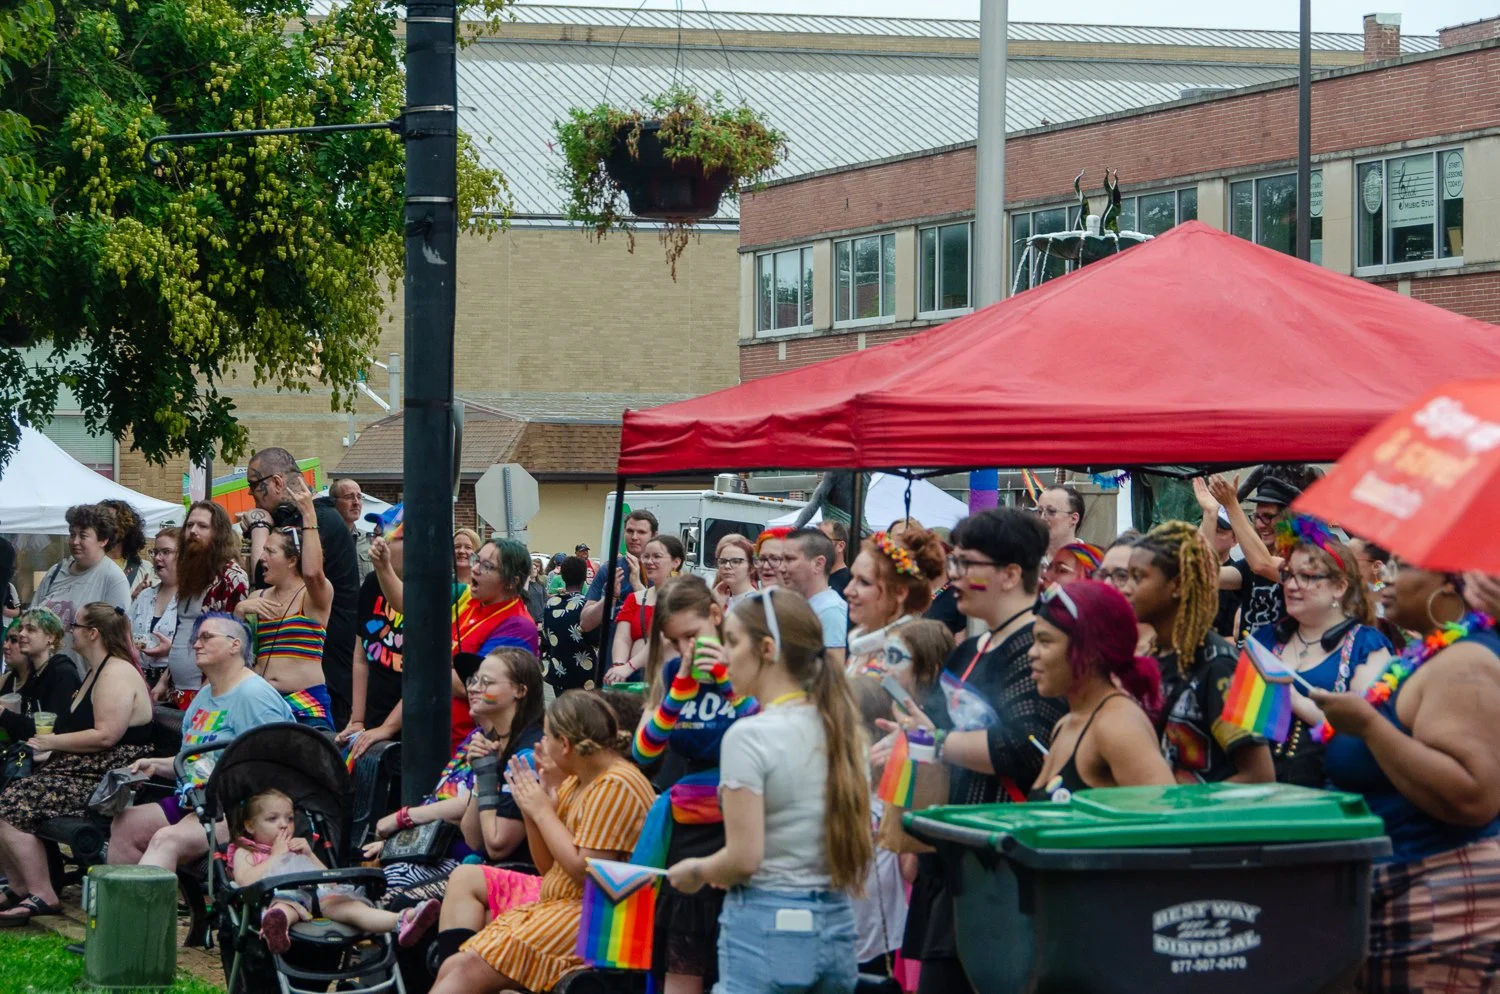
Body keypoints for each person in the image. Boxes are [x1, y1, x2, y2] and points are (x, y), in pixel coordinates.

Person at [666, 589, 872, 994]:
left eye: (732, 641)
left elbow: (744, 858)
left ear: (767, 648)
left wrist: (696, 871)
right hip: (836, 923)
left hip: (767, 923)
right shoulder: (843, 728)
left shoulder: (750, 735)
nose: (723, 656)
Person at [894, 508, 1064, 994]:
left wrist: (938, 742)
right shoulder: (969, 651)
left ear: (1012, 574)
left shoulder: (1040, 643)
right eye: (956, 563)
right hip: (957, 860)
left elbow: (1028, 747)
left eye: (968, 565)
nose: (956, 577)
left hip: (1008, 869)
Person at [1317, 566, 1500, 992]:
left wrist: (1368, 725)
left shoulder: (1466, 660)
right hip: (1397, 894)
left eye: (1402, 567)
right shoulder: (1432, 653)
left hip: (1437, 904)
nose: (1386, 579)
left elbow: (1471, 798)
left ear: (1451, 585)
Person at [431, 691, 656, 994]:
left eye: (547, 736)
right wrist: (531, 815)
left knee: (465, 971)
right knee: (454, 967)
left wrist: (542, 812)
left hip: (596, 918)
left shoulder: (615, 784)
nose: (542, 744)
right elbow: (548, 867)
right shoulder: (580, 780)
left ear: (565, 745)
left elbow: (585, 873)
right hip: (559, 905)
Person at [634, 575, 756, 994]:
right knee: (681, 968)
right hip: (689, 829)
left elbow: (772, 735)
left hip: (747, 824)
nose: (686, 648)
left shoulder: (750, 662)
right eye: (675, 640)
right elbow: (644, 753)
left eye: (692, 634)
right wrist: (675, 696)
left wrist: (728, 683)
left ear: (717, 616)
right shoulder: (673, 671)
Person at [0, 603, 156, 922]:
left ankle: (43, 893)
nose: (72, 632)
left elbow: (105, 737)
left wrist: (50, 742)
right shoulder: (96, 670)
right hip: (86, 768)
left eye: (77, 627)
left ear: (93, 634)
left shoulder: (116, 672)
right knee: (8, 788)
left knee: (11, 803)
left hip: (109, 776)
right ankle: (18, 886)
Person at [107, 613, 293, 870]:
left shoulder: (254, 696)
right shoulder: (204, 695)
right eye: (196, 638)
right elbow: (194, 761)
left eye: (206, 637)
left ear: (234, 645)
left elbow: (274, 770)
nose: (196, 644)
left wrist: (219, 807)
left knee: (166, 840)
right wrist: (154, 765)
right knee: (125, 824)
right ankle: (127, 907)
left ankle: (146, 908)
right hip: (196, 801)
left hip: (238, 810)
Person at [367, 649, 545, 906]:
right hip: (483, 868)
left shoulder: (527, 753)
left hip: (519, 878)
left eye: (487, 682)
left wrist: (484, 773)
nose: (474, 687)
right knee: (378, 891)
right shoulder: (490, 743)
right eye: (474, 680)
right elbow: (474, 837)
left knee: (397, 901)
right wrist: (481, 773)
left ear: (520, 690)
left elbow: (496, 845)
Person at [1125, 522, 1274, 785]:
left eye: (1138, 577)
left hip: (1200, 822)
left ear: (1178, 585)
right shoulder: (1152, 657)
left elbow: (1260, 776)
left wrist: (1185, 807)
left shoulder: (1222, 665)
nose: (1127, 588)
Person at [1251, 524, 1392, 787]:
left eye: (1306, 576)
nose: (1291, 586)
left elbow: (1372, 736)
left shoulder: (1367, 646)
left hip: (1333, 801)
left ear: (1339, 586)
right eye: (1288, 574)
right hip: (1259, 797)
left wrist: (1295, 701)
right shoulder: (1265, 640)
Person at [230, 788, 440, 954]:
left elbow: (330, 881)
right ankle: (275, 929)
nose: (284, 825)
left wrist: (309, 855)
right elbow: (245, 882)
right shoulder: (246, 851)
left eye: (290, 818)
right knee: (285, 906)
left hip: (319, 896)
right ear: (250, 826)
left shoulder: (298, 847)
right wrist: (275, 856)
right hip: (280, 898)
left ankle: (402, 920)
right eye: (272, 819)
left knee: (347, 904)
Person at [241, 448, 360, 729]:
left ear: (278, 483)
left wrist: (259, 527)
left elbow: (263, 574)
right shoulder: (297, 522)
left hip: (326, 679)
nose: (252, 496)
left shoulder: (318, 522)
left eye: (255, 486)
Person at [1026, 581, 1174, 802]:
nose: (1031, 653)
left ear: (1090, 651)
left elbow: (1166, 822)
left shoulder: (1116, 725)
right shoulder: (1066, 724)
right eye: (1034, 640)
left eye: (1045, 642)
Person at [235, 479, 336, 730]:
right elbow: (233, 651)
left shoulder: (312, 596)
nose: (262, 557)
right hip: (261, 703)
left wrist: (308, 514)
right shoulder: (255, 598)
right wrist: (238, 613)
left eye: (270, 551)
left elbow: (313, 573)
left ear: (292, 560)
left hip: (305, 704)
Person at [160, 500, 249, 709]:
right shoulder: (190, 574)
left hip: (208, 692)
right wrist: (165, 680)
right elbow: (183, 631)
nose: (193, 531)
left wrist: (209, 692)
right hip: (177, 691)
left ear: (218, 533)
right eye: (189, 525)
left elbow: (234, 645)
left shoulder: (232, 578)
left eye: (202, 526)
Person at [451, 539, 540, 750]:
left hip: (472, 744)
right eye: (477, 560)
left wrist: (425, 656)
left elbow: (474, 686)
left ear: (511, 582)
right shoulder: (471, 602)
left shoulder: (518, 625)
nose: (475, 568)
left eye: (487, 566)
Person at [31, 504, 131, 669]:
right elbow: (32, 621)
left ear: (103, 540)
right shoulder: (55, 572)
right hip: (45, 677)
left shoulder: (113, 579)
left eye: (83, 536)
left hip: (84, 681)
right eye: (72, 534)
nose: (75, 541)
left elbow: (118, 642)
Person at [338, 515, 406, 755]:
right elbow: (361, 655)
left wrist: (388, 728)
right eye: (375, 535)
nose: (379, 543)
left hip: (411, 727)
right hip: (374, 719)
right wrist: (357, 719)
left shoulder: (435, 590)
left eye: (387, 536)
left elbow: (425, 676)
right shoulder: (372, 583)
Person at [843, 527, 946, 678]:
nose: (848, 590)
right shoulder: (863, 647)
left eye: (864, 582)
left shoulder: (899, 660)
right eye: (852, 578)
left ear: (899, 593)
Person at [607, 535, 684, 685]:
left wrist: (628, 666)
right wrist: (618, 666)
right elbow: (622, 638)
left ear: (676, 562)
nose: (649, 562)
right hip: (634, 677)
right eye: (646, 556)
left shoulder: (683, 598)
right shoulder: (635, 598)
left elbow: (663, 638)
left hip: (667, 679)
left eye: (657, 556)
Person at [0, 610, 81, 745]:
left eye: (30, 630)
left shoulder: (62, 672)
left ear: (50, 637)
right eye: (21, 629)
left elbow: (54, 731)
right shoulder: (34, 675)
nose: (21, 634)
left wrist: (4, 715)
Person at [781, 527, 849, 669]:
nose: (781, 568)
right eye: (782, 559)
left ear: (818, 564)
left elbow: (833, 676)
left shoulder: (831, 611)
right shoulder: (802, 606)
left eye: (790, 559)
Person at [581, 509, 658, 635]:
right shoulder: (609, 569)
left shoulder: (664, 572)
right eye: (629, 531)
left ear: (654, 536)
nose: (634, 537)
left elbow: (665, 623)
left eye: (641, 532)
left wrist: (637, 584)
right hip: (613, 652)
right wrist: (609, 598)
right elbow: (585, 623)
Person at [128, 528, 179, 687]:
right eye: (155, 552)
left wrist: (173, 651)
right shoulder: (145, 596)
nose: (157, 558)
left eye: (166, 552)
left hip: (174, 682)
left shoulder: (194, 599)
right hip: (139, 679)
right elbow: (126, 631)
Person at [542, 556, 596, 700]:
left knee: (564, 716)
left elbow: (546, 635)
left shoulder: (550, 604)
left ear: (563, 577)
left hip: (559, 671)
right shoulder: (587, 606)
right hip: (585, 673)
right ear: (585, 577)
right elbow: (595, 639)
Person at [98, 499, 153, 596]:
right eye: (100, 522)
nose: (104, 526)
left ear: (126, 526)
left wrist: (136, 599)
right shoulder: (84, 566)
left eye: (110, 521)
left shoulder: (145, 569)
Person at [331, 478, 373, 583]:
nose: (356, 502)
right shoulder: (322, 539)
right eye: (349, 497)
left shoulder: (369, 540)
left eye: (359, 497)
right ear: (333, 502)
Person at [1036, 486, 1085, 559]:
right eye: (1040, 511)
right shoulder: (1026, 558)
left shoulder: (1093, 560)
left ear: (1074, 518)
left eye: (1051, 511)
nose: (1042, 518)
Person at [712, 534, 756, 610]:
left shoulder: (756, 603)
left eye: (736, 561)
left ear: (751, 567)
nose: (727, 566)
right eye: (723, 561)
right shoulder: (724, 599)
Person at [820, 520, 853, 597]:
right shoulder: (814, 577)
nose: (817, 543)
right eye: (814, 539)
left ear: (840, 546)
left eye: (823, 539)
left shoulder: (849, 581)